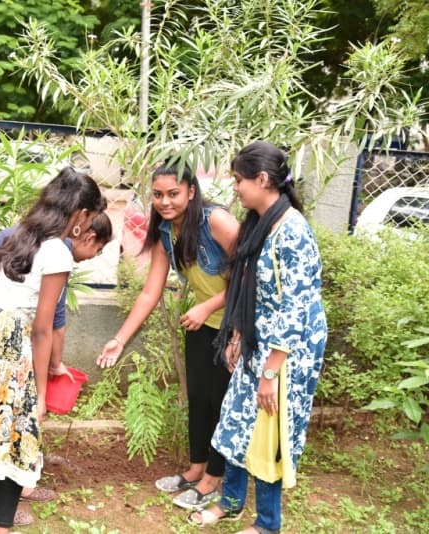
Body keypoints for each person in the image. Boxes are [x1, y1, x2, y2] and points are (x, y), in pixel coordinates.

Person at [0, 167, 104, 533]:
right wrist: (40, 395)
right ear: (82, 215)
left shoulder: (23, 234)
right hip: (6, 343)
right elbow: (43, 329)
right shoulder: (57, 250)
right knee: (15, 447)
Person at [188, 141, 327, 533]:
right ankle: (230, 502)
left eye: (238, 179)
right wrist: (236, 334)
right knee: (236, 419)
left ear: (262, 180)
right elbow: (248, 287)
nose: (235, 187)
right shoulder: (261, 222)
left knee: (269, 431)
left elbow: (296, 308)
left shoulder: (292, 231)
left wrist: (271, 372)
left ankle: (268, 523)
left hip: (287, 350)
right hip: (258, 340)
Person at [96, 162, 239, 511]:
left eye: (173, 193)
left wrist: (208, 307)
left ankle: (213, 481)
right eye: (158, 195)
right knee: (199, 400)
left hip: (235, 325)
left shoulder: (217, 221)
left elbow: (250, 275)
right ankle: (195, 469)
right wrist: (120, 337)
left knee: (222, 404)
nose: (165, 201)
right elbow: (150, 292)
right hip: (203, 323)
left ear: (191, 191)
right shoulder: (165, 233)